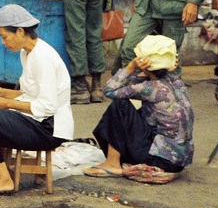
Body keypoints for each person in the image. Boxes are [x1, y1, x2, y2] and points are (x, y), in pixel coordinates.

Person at [0, 5, 72, 195]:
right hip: (37, 121)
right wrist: (1, 92)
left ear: (20, 31)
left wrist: (5, 103)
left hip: (48, 129)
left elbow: (46, 106)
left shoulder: (43, 57)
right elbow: (29, 94)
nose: (3, 42)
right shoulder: (27, 53)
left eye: (4, 36)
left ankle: (3, 179)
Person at [83, 35, 193, 184]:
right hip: (177, 160)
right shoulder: (175, 81)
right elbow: (136, 84)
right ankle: (116, 158)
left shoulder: (151, 88)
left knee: (119, 106)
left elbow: (110, 90)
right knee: (135, 110)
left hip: (159, 159)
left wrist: (131, 67)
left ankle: (112, 164)